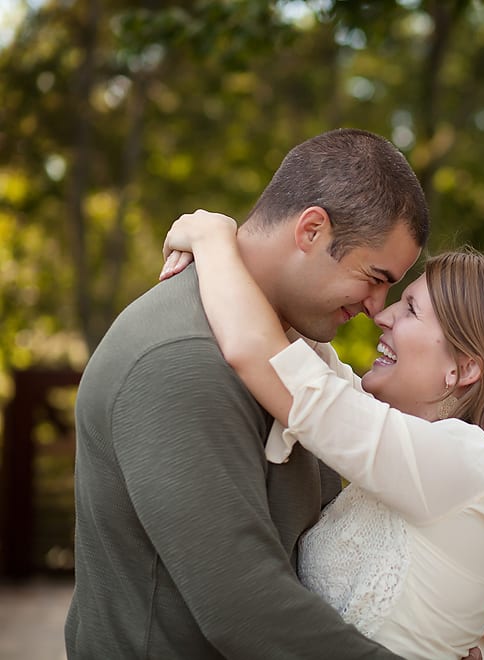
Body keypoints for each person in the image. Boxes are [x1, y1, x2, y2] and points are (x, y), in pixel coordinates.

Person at [65, 129, 431, 659]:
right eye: (374, 278)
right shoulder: (182, 357)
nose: (378, 307)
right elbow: (244, 607)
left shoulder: (286, 350)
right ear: (311, 231)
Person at [158, 209, 484, 659]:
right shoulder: (412, 444)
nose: (384, 315)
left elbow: (276, 367)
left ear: (465, 367)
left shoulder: (460, 462)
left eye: (411, 308)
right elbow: (305, 351)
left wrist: (214, 238)